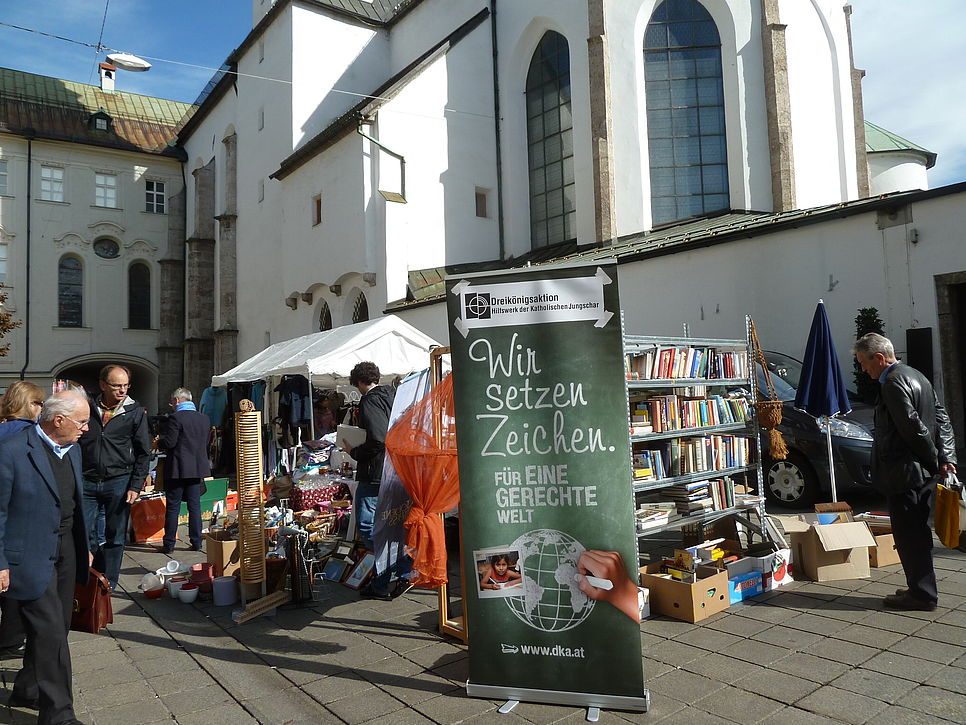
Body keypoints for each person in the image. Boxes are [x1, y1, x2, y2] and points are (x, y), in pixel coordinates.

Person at [0, 390, 92, 725]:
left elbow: (74, 501)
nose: (86, 428)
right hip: (29, 555)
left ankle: (26, 688)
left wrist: (87, 545)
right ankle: (59, 715)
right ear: (59, 420)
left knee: (58, 627)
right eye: (81, 422)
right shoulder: (11, 452)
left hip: (66, 548)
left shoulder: (73, 450)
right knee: (51, 632)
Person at [854, 333, 958, 611]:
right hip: (918, 471)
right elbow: (941, 417)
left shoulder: (892, 381)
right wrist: (947, 457)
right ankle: (920, 587)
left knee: (910, 535)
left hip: (905, 471)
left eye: (864, 363)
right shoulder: (917, 375)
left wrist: (936, 460)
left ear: (879, 358)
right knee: (918, 532)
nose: (864, 370)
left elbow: (912, 426)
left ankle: (922, 595)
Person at [79, 365, 152, 591]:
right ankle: (94, 572)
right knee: (84, 531)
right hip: (86, 480)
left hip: (119, 480)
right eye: (116, 385)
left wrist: (136, 485)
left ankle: (109, 581)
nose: (122, 390)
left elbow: (143, 452)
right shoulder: (86, 408)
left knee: (116, 535)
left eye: (125, 385)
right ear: (102, 385)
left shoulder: (134, 412)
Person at [0, 381, 45, 660]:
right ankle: (10, 640)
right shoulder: (31, 435)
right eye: (38, 403)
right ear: (29, 404)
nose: (41, 408)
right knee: (18, 587)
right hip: (21, 517)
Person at [343, 361, 395, 548]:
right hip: (393, 468)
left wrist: (354, 451)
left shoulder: (370, 400)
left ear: (358, 381)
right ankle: (397, 568)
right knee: (390, 522)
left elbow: (378, 439)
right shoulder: (392, 395)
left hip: (375, 472)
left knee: (366, 525)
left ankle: (391, 568)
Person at [157, 388, 211, 554]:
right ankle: (196, 542)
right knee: (195, 506)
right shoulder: (204, 418)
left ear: (177, 401)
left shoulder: (175, 418)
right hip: (196, 468)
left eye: (172, 403)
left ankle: (169, 544)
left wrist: (159, 443)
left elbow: (170, 442)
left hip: (178, 469)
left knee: (173, 507)